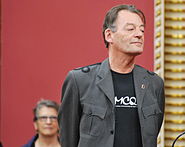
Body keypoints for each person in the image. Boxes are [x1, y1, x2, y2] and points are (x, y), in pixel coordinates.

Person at [59, 4, 165, 147]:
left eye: (142, 29)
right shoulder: (79, 80)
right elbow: (68, 139)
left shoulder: (154, 83)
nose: (139, 34)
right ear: (109, 35)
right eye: (130, 29)